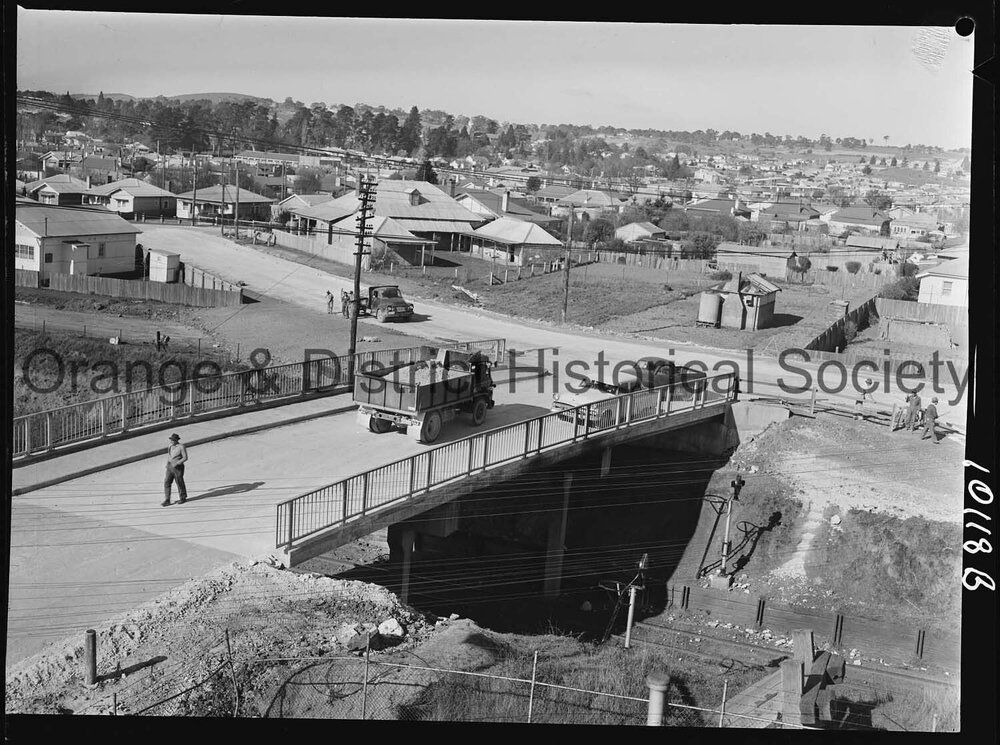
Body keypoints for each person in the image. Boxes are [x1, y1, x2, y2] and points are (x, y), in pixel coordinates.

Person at [162, 433, 189, 506]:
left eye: (173, 440)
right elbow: (169, 455)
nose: (171, 441)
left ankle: (183, 497)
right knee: (167, 482)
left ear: (177, 440)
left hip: (178, 468)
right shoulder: (170, 446)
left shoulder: (181, 447)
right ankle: (167, 499)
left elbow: (185, 457)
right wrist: (167, 463)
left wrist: (177, 463)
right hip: (170, 467)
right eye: (171, 440)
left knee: (179, 482)